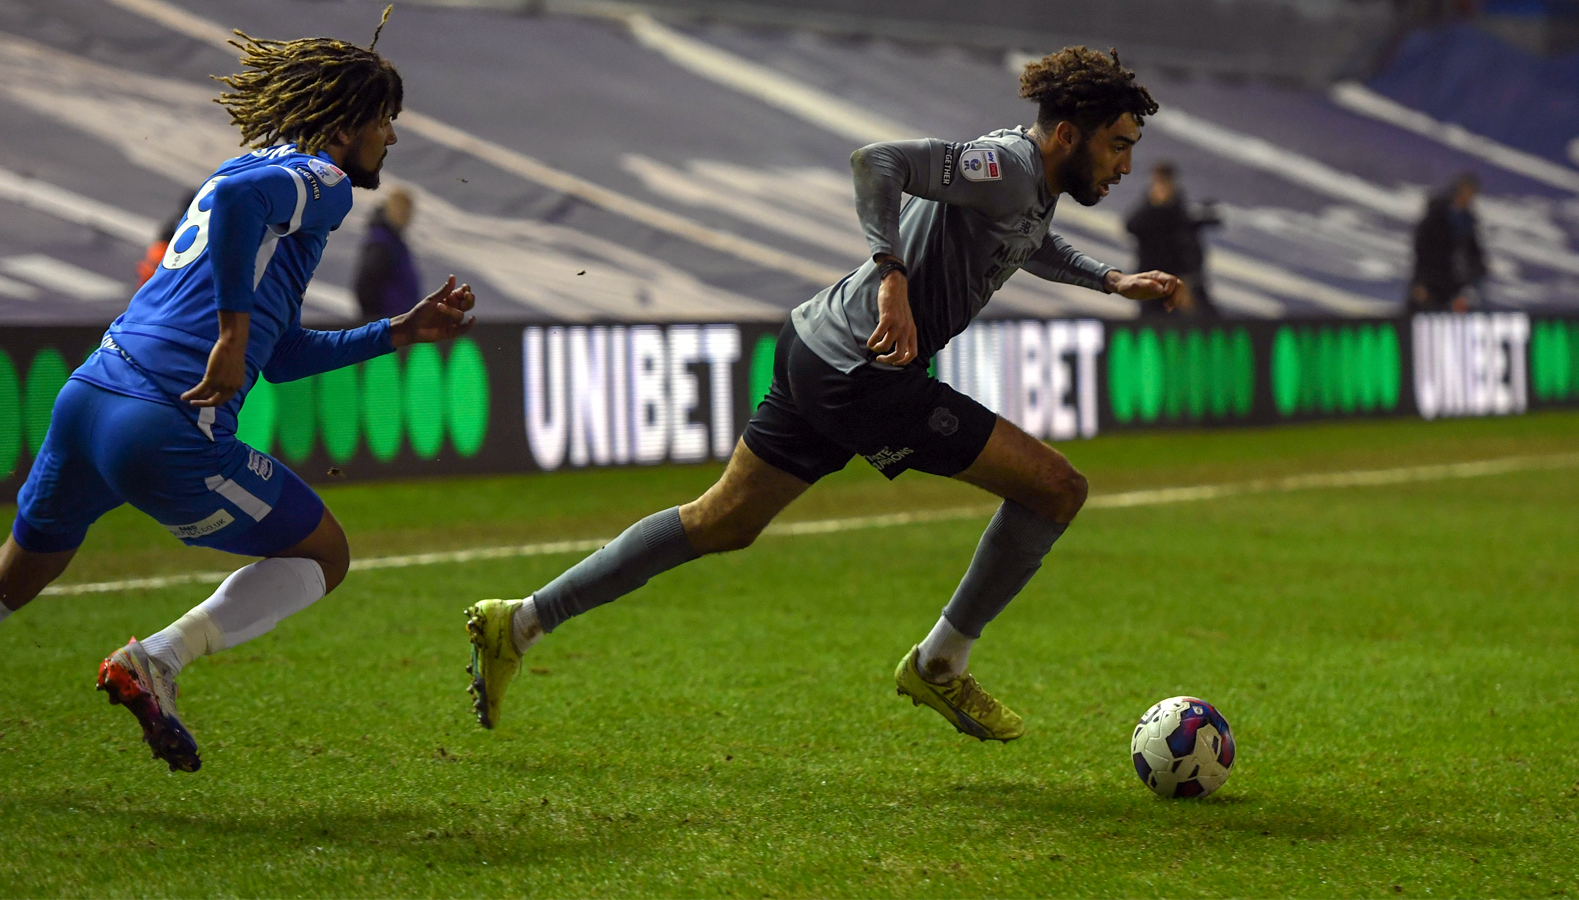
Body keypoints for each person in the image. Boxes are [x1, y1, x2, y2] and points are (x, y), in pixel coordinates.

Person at [463, 47, 1178, 742]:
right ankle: (939, 663)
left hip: (817, 347)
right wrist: (892, 275)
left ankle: (518, 622)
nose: (1124, 165)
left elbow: (1027, 238)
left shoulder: (1030, 187)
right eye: (1118, 145)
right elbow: (879, 161)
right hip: (865, 372)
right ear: (1066, 135)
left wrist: (1110, 280)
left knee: (721, 521)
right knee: (1055, 489)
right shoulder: (1006, 166)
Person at [0, 11, 477, 773]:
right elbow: (249, 294)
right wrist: (231, 335)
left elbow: (279, 356)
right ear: (345, 125)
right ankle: (159, 660)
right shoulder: (325, 181)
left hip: (90, 396)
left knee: (15, 574)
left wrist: (395, 332)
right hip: (167, 424)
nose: (392, 138)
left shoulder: (246, 172)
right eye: (385, 119)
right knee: (324, 553)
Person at [1123, 161, 1219, 317]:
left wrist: (1189, 279)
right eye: (1159, 183)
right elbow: (1131, 226)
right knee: (1153, 326)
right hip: (1153, 283)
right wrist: (1152, 204)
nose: (1162, 189)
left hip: (1183, 281)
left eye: (1165, 183)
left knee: (1201, 322)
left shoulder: (1181, 212)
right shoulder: (1146, 214)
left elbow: (1191, 243)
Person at [1408, 172, 1486, 313]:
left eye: (1470, 194)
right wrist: (1421, 282)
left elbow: (1474, 256)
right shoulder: (1436, 214)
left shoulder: (1466, 221)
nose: (1467, 197)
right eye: (1465, 192)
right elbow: (1422, 249)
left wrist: (1471, 283)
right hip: (1428, 283)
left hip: (1450, 287)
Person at [353, 187, 421, 320]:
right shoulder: (382, 243)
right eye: (400, 210)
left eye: (407, 211)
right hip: (389, 324)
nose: (405, 215)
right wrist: (374, 323)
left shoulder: (393, 241)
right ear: (389, 209)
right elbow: (366, 284)